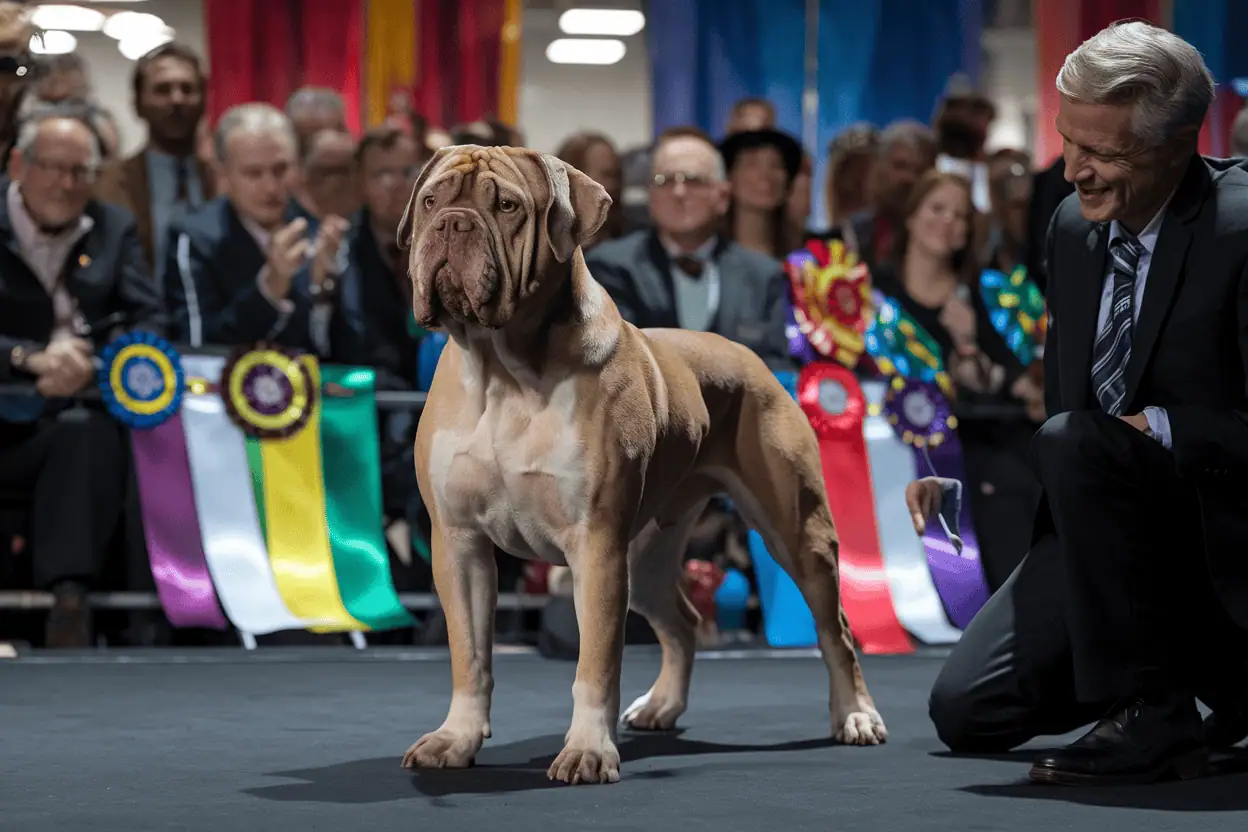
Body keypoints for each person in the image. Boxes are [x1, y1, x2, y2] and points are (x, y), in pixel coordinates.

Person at [928, 21, 1248, 786]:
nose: (1073, 171)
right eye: (1068, 140)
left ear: (1180, 143)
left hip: (1222, 538)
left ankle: (1155, 715)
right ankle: (1182, 682)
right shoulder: (1072, 227)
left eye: (1104, 152)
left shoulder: (1240, 225)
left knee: (1078, 439)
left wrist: (1164, 430)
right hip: (1102, 535)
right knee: (969, 714)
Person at [0, 107, 163, 647]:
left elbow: (149, 319)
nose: (67, 184)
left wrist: (96, 361)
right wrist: (28, 358)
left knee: (86, 435)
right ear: (19, 164)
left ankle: (70, 601)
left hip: (77, 409)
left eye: (81, 172)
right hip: (9, 399)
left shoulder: (113, 227)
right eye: (53, 168)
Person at [162, 103, 364, 363]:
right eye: (253, 173)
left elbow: (348, 353)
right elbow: (196, 347)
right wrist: (269, 289)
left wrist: (324, 290)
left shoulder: (319, 232)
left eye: (280, 170)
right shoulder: (194, 237)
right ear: (223, 173)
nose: (270, 186)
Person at [586, 126, 792, 371]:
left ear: (723, 197)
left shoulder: (763, 275)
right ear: (651, 197)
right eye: (665, 181)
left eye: (693, 181)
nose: (679, 192)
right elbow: (610, 360)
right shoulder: (610, 266)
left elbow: (777, 368)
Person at [92, 43, 213, 280]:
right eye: (162, 90)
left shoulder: (225, 182)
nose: (177, 99)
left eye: (188, 89)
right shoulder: (105, 185)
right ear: (138, 104)